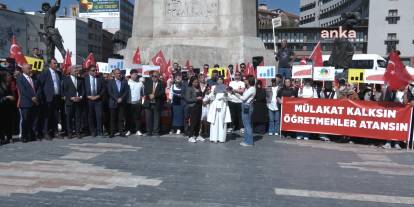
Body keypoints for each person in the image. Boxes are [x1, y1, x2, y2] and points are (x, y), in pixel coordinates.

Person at [38, 58, 62, 139]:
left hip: (56, 98)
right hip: (47, 98)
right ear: (50, 64)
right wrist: (41, 97)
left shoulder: (58, 73)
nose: (56, 65)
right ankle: (45, 132)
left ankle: (55, 132)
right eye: (54, 63)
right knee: (47, 116)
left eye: (56, 63)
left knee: (55, 116)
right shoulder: (45, 73)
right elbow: (40, 85)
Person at [16, 64, 39, 143]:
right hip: (26, 103)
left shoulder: (33, 78)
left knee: (33, 120)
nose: (31, 70)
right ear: (23, 69)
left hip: (34, 102)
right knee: (25, 120)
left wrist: (36, 97)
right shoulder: (20, 78)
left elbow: (37, 88)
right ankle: (24, 136)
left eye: (31, 68)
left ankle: (31, 135)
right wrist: (31, 97)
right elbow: (23, 90)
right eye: (29, 68)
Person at [233, 75, 256, 146]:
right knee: (246, 124)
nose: (244, 81)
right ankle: (246, 140)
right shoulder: (248, 88)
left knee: (247, 124)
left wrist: (235, 93)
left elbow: (243, 98)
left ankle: (249, 142)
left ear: (249, 81)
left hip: (247, 106)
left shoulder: (252, 88)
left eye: (246, 80)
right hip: (245, 106)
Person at [207, 77, 231, 143]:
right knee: (214, 122)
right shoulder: (213, 87)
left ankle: (221, 138)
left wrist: (226, 95)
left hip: (223, 106)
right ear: (217, 80)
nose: (220, 81)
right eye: (218, 79)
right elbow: (210, 97)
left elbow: (229, 98)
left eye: (221, 79)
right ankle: (214, 138)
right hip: (215, 106)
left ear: (223, 81)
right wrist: (214, 93)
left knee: (222, 122)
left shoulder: (226, 87)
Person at [62, 65, 84, 138]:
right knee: (69, 118)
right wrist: (71, 98)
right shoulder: (66, 79)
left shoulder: (80, 79)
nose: (77, 71)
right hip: (70, 102)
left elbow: (83, 90)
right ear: (70, 71)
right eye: (75, 70)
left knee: (78, 118)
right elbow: (64, 91)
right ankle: (70, 133)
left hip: (78, 102)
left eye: (77, 70)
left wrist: (80, 97)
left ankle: (78, 132)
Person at [107, 69, 128, 138]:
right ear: (114, 74)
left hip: (121, 102)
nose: (119, 74)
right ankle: (112, 132)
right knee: (112, 118)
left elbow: (126, 91)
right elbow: (110, 92)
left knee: (121, 118)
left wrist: (121, 98)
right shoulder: (110, 82)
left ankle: (121, 132)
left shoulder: (124, 81)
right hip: (113, 102)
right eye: (117, 73)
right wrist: (116, 99)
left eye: (120, 73)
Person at [84, 65, 105, 137]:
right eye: (93, 70)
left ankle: (100, 131)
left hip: (98, 100)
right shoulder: (85, 79)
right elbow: (82, 89)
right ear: (89, 71)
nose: (95, 71)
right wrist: (87, 96)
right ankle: (92, 131)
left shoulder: (100, 78)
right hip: (89, 100)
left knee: (99, 116)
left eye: (96, 70)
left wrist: (98, 96)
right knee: (90, 116)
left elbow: (103, 89)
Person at [143, 71, 165, 136]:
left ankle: (156, 131)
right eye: (152, 76)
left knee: (156, 118)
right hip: (148, 102)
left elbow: (162, 92)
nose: (154, 77)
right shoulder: (147, 82)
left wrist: (154, 95)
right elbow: (145, 90)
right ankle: (149, 131)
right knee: (148, 118)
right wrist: (149, 95)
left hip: (157, 103)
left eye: (155, 76)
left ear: (158, 77)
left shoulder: (161, 83)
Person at [185, 76, 205, 143]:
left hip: (199, 106)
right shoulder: (189, 88)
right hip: (193, 106)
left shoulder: (198, 88)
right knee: (193, 121)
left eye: (197, 82)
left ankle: (197, 135)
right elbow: (188, 99)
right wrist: (196, 99)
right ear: (192, 82)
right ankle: (190, 136)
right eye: (195, 82)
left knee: (198, 121)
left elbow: (201, 96)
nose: (196, 83)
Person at [126, 70, 144, 136]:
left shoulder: (140, 83)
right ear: (130, 75)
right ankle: (129, 130)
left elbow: (142, 93)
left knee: (137, 117)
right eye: (133, 74)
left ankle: (138, 130)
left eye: (136, 74)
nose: (135, 76)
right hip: (129, 103)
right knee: (129, 118)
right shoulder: (127, 82)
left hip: (138, 103)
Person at [0, 70, 16, 144]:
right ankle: (2, 138)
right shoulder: (1, 86)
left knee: (9, 123)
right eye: (9, 76)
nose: (11, 77)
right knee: (2, 123)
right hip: (2, 108)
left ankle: (9, 137)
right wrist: (7, 97)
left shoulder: (9, 85)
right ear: (5, 77)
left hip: (9, 108)